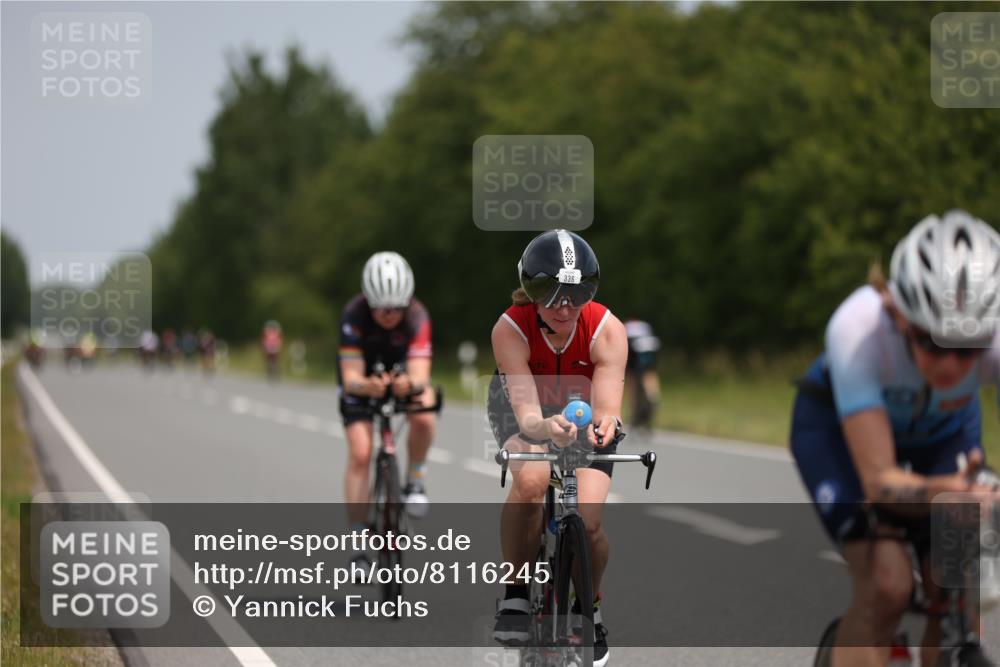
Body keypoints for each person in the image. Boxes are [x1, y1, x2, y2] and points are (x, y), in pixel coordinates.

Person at [791, 211, 1000, 667]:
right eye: (931, 342)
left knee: (956, 577)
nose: (949, 365)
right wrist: (945, 491)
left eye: (969, 348)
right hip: (837, 433)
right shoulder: (858, 329)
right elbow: (880, 482)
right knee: (887, 584)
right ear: (898, 313)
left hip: (942, 434)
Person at [489, 229, 627, 667]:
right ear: (530, 292)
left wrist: (603, 426)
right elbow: (528, 414)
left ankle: (589, 607)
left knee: (589, 519)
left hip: (583, 413)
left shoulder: (607, 330)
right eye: (551, 295)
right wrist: (545, 427)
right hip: (524, 409)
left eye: (577, 294)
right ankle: (515, 592)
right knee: (531, 481)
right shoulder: (510, 328)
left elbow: (607, 408)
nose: (565, 307)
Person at [337, 251, 436, 568]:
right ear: (369, 301)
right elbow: (351, 378)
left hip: (401, 373)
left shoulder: (417, 315)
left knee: (425, 412)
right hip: (363, 380)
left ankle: (415, 479)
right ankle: (358, 544)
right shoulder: (353, 314)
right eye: (382, 308)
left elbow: (420, 375)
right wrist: (367, 386)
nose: (390, 314)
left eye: (397, 308)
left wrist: (410, 384)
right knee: (361, 452)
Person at [623, 318, 661, 431]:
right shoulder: (645, 325)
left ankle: (634, 411)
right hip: (650, 347)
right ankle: (653, 396)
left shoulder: (625, 326)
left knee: (632, 380)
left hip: (633, 347)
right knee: (649, 373)